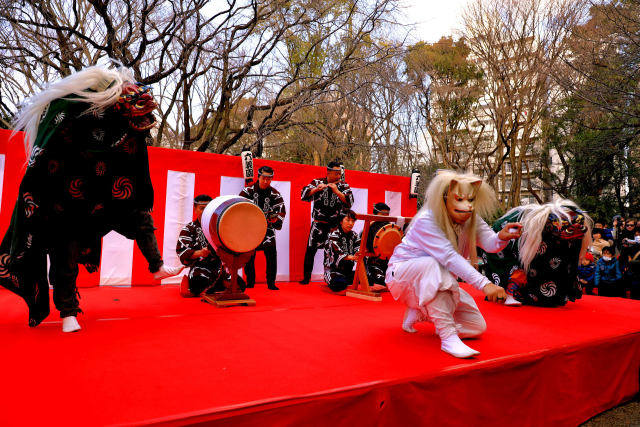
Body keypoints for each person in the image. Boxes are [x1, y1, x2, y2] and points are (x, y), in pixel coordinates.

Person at [1, 64, 182, 332]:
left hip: (101, 190)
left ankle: (156, 264)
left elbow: (130, 150)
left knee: (137, 210)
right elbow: (51, 143)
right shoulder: (75, 108)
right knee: (66, 253)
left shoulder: (119, 125)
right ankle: (68, 313)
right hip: (63, 196)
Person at [385, 170, 522, 358]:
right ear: (444, 197)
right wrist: (485, 284)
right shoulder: (428, 220)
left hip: (439, 279)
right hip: (402, 277)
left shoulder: (470, 219)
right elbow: (449, 257)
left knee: (475, 326)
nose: (467, 206)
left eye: (471, 200)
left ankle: (420, 312)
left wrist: (501, 237)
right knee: (434, 264)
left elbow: (489, 242)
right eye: (459, 199)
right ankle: (448, 337)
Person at [481, 200, 592, 307]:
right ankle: (510, 293)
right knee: (517, 272)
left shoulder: (572, 230)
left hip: (545, 243)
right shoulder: (531, 229)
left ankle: (551, 295)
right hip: (511, 245)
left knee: (556, 265)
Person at [299, 161, 354, 284]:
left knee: (335, 250)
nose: (339, 176)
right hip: (318, 223)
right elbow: (303, 194)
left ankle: (333, 276)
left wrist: (337, 192)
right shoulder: (317, 182)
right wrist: (315, 190)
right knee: (310, 250)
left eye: (340, 173)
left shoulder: (343, 186)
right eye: (336, 173)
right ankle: (306, 278)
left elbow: (350, 202)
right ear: (328, 173)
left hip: (334, 225)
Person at [176, 195, 242, 296]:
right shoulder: (189, 229)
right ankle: (209, 286)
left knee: (240, 286)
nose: (205, 211)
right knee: (197, 284)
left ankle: (216, 285)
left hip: (219, 266)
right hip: (200, 266)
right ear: (195, 209)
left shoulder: (220, 227)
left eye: (207, 208)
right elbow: (183, 252)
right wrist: (200, 253)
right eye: (202, 208)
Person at [239, 166, 286, 290]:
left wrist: (275, 219)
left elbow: (281, 211)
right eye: (264, 178)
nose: (266, 181)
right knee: (249, 256)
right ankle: (250, 281)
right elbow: (238, 207)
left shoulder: (275, 194)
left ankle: (271, 283)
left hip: (267, 228)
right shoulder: (247, 191)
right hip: (250, 229)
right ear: (258, 177)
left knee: (271, 255)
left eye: (269, 179)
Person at [324, 210, 360, 294]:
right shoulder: (333, 234)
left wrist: (358, 253)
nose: (351, 223)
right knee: (339, 284)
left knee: (370, 279)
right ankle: (346, 283)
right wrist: (353, 257)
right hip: (333, 271)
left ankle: (349, 282)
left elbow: (358, 248)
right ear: (341, 221)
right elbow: (337, 253)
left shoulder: (354, 235)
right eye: (348, 220)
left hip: (348, 272)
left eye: (353, 221)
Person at [363, 202, 393, 292]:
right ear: (376, 213)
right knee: (380, 280)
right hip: (375, 263)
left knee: (397, 279)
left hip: (388, 263)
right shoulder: (368, 228)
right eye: (383, 214)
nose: (386, 217)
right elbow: (363, 250)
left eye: (387, 214)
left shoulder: (390, 228)